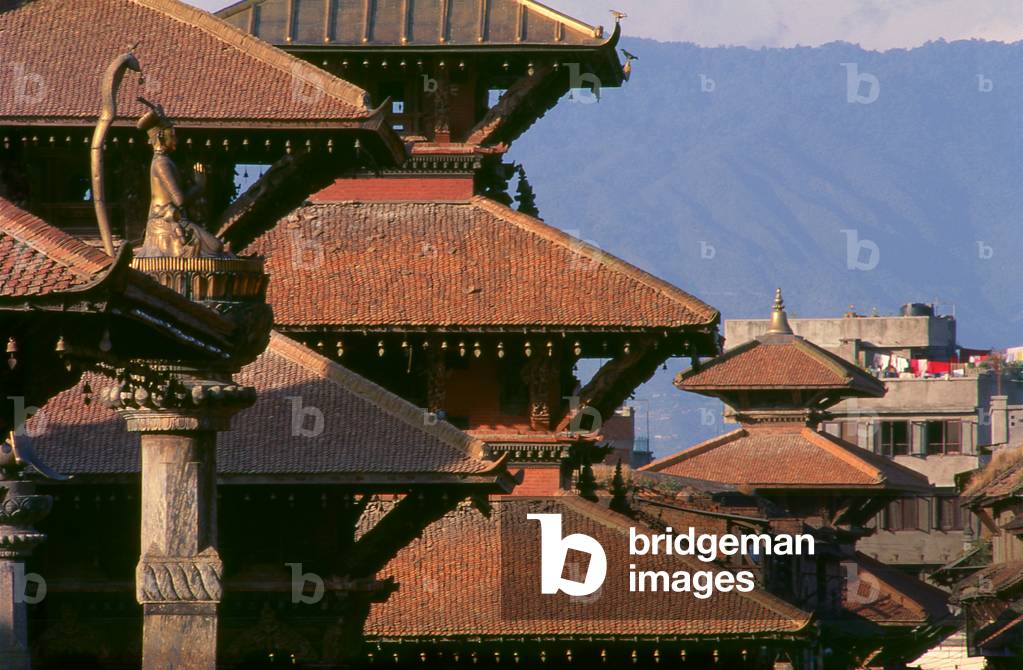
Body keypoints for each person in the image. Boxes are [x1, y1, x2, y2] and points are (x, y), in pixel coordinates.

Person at [136, 100, 226, 258]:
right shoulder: (161, 163)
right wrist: (199, 186)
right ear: (162, 137)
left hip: (175, 219)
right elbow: (179, 200)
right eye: (173, 135)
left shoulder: (165, 161)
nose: (176, 140)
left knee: (216, 248)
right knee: (215, 248)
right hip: (166, 221)